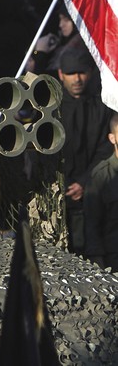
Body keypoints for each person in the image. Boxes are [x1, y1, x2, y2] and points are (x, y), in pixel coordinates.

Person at [57, 47, 114, 256]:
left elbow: (106, 147)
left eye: (81, 72)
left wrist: (84, 181)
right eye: (71, 73)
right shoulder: (51, 107)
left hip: (94, 191)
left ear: (90, 73)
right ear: (61, 74)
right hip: (58, 192)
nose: (77, 79)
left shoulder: (102, 105)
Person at [84, 112, 118, 272]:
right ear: (112, 138)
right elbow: (92, 224)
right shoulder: (102, 175)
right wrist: (99, 267)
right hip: (114, 260)